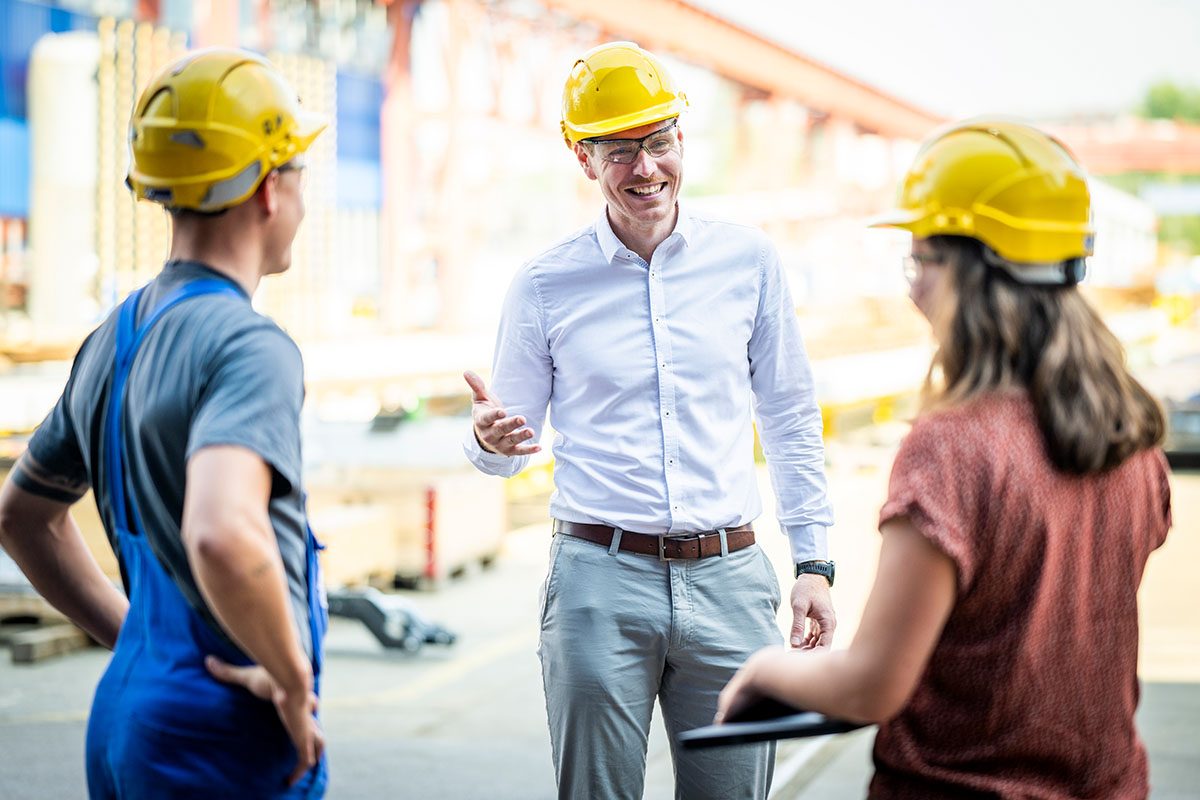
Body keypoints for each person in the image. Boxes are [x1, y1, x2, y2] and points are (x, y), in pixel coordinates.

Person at [716, 120, 1172, 799]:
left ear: (971, 270)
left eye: (919, 261)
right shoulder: (1129, 430)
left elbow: (871, 684)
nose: (911, 289)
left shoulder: (952, 448)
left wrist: (762, 672)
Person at [463, 41, 835, 800]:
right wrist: (486, 441)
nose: (645, 170)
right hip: (599, 584)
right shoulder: (544, 285)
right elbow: (506, 449)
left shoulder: (750, 263)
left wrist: (815, 562)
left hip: (731, 581)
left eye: (658, 144)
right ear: (583, 158)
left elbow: (791, 415)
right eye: (619, 151)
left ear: (681, 140)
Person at [0, 48, 330, 798]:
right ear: (270, 188)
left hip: (129, 716)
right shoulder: (251, 348)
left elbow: (23, 516)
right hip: (223, 730)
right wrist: (287, 676)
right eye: (301, 173)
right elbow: (221, 532)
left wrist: (137, 644)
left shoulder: (113, 339)